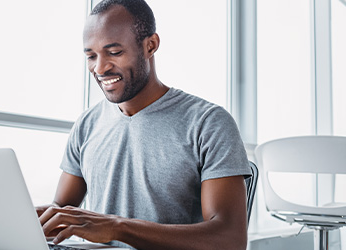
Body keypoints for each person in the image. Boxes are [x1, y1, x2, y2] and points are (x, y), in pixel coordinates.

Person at [37, 0, 252, 249]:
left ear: (150, 46)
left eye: (114, 52)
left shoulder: (208, 123)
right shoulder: (87, 124)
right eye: (91, 56)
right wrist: (29, 219)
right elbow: (62, 211)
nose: (100, 68)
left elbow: (230, 239)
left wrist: (118, 227)